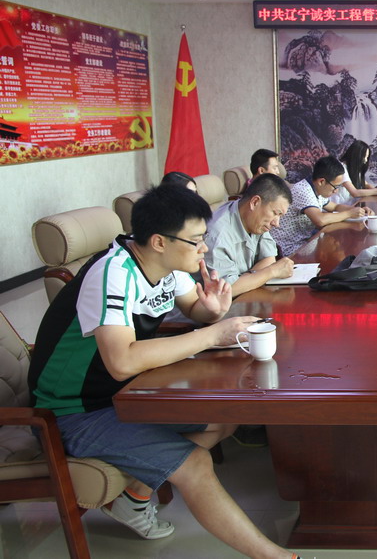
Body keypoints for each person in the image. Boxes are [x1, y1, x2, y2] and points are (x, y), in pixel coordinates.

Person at [27, 185, 295, 558]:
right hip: (72, 411)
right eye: (196, 240)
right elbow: (121, 362)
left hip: (123, 393)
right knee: (196, 464)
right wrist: (211, 334)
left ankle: (133, 499)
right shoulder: (112, 274)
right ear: (159, 241)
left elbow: (194, 309)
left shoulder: (168, 265)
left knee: (224, 418)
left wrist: (214, 309)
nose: (204, 249)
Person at [203, 173, 294, 296]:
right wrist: (272, 272)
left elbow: (269, 258)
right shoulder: (217, 235)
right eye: (275, 213)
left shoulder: (255, 219)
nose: (276, 223)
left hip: (246, 297)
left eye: (280, 216)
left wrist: (248, 279)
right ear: (255, 202)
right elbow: (225, 290)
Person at [270, 155, 369, 256]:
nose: (336, 191)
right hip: (288, 248)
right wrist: (349, 214)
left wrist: (358, 210)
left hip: (303, 242)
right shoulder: (303, 191)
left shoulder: (316, 189)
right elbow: (320, 220)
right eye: (335, 187)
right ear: (321, 181)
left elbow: (335, 207)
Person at [338, 139, 377, 204]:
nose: (365, 161)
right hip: (342, 207)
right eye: (364, 157)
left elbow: (365, 184)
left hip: (352, 206)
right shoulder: (341, 168)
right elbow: (354, 193)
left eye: (367, 157)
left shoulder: (353, 167)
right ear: (356, 156)